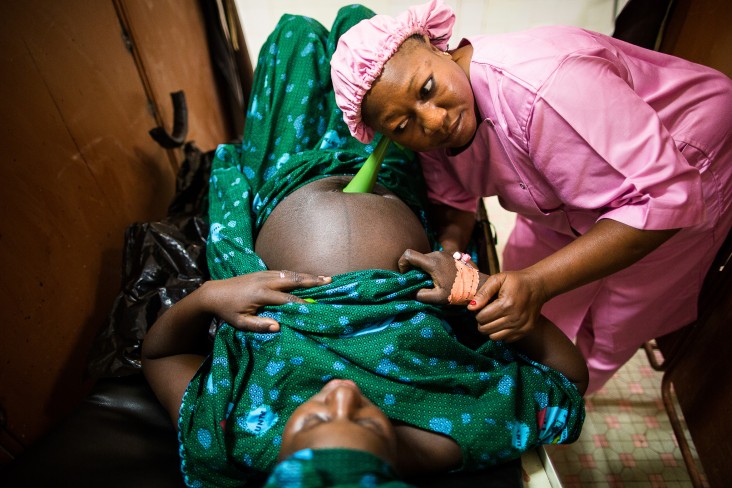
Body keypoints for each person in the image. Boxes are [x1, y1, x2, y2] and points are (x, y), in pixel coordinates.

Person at [141, 6, 587, 487]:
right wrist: (476, 290)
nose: (342, 394)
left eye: (311, 421)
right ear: (395, 464)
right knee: (359, 23)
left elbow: (159, 357)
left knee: (295, 35)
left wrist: (211, 296)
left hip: (284, 177)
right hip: (391, 179)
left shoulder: (238, 437)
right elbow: (569, 382)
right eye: (369, 421)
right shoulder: (457, 435)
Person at [330, 0, 732, 394]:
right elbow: (455, 199)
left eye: (428, 88)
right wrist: (449, 255)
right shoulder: (432, 136)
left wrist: (538, 283)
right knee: (526, 299)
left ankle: (569, 398)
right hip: (561, 202)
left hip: (686, 157)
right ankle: (543, 378)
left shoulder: (542, 86)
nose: (434, 120)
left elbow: (664, 198)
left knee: (619, 313)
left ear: (438, 47)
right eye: (403, 124)